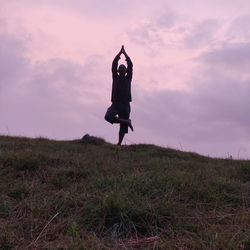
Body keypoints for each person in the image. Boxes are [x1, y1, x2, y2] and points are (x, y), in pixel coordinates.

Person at [105, 45, 134, 146]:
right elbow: (113, 64)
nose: (122, 68)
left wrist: (125, 54)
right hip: (115, 104)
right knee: (108, 116)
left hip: (125, 105)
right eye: (120, 67)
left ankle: (119, 144)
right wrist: (119, 54)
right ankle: (126, 121)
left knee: (123, 127)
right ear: (117, 71)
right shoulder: (115, 77)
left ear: (126, 71)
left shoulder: (128, 78)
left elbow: (130, 65)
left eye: (123, 68)